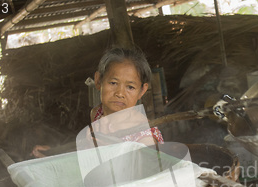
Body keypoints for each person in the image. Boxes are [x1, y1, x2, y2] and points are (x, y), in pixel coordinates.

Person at [32, 47, 163, 158]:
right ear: (98, 80)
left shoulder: (145, 135)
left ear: (142, 90)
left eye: (130, 87)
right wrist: (55, 152)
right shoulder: (97, 113)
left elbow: (146, 177)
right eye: (113, 83)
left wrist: (111, 152)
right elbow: (88, 147)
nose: (120, 93)